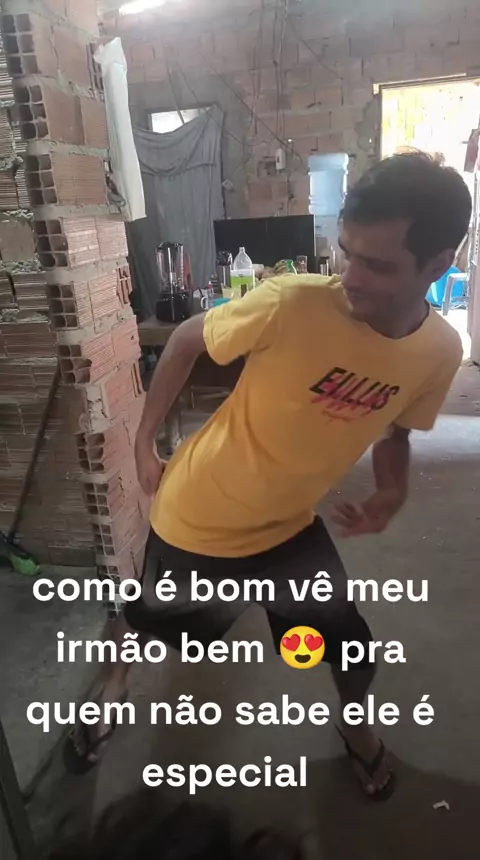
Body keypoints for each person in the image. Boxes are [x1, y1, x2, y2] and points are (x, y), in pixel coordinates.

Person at [66, 152, 470, 800]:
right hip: (198, 517)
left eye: (377, 265)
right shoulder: (294, 302)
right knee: (158, 627)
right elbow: (186, 339)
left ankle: (355, 727)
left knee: (347, 646)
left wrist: (392, 490)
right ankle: (112, 683)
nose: (350, 277)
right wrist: (143, 442)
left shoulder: (440, 351)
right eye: (346, 253)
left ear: (439, 264)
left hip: (287, 528)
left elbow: (396, 430)